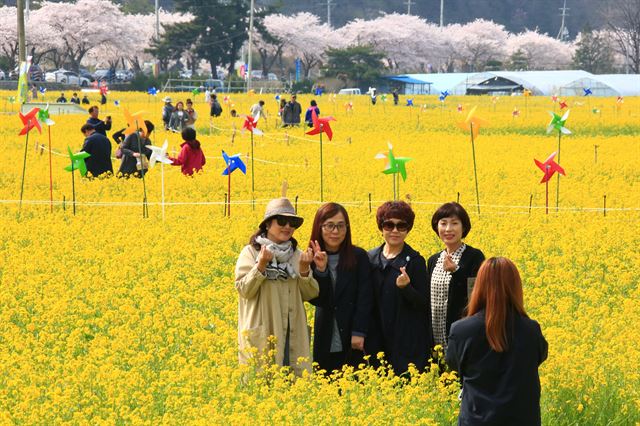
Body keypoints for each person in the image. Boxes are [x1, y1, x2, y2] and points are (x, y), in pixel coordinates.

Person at [446, 257, 548, 425]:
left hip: (476, 420)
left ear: (479, 285)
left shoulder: (461, 330)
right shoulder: (531, 330)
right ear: (515, 287)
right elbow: (539, 357)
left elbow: (454, 364)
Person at [235, 197, 319, 376]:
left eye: (293, 222)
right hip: (264, 331)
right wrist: (261, 266)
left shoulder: (297, 255)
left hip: (292, 332)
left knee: (294, 383)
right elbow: (244, 289)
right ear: (267, 224)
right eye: (281, 221)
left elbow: (311, 294)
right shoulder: (251, 253)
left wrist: (304, 271)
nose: (288, 226)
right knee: (262, 382)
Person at [366, 201, 431, 375]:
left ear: (408, 229)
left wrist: (406, 288)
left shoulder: (415, 261)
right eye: (389, 225)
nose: (395, 230)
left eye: (401, 226)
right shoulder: (370, 259)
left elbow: (424, 304)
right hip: (376, 338)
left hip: (405, 341)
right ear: (381, 228)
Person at [308, 203, 372, 374]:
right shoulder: (310, 258)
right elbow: (317, 299)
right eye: (329, 225)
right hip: (326, 333)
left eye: (340, 225)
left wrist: (359, 331)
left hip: (353, 334)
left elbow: (365, 297)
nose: (335, 231)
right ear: (319, 227)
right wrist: (321, 271)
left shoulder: (359, 257)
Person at [427, 202, 485, 353]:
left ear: (463, 227)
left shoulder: (474, 257)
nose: (448, 229)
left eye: (454, 223)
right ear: (436, 227)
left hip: (462, 333)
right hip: (435, 333)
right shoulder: (433, 260)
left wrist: (456, 271)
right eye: (443, 223)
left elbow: (476, 294)